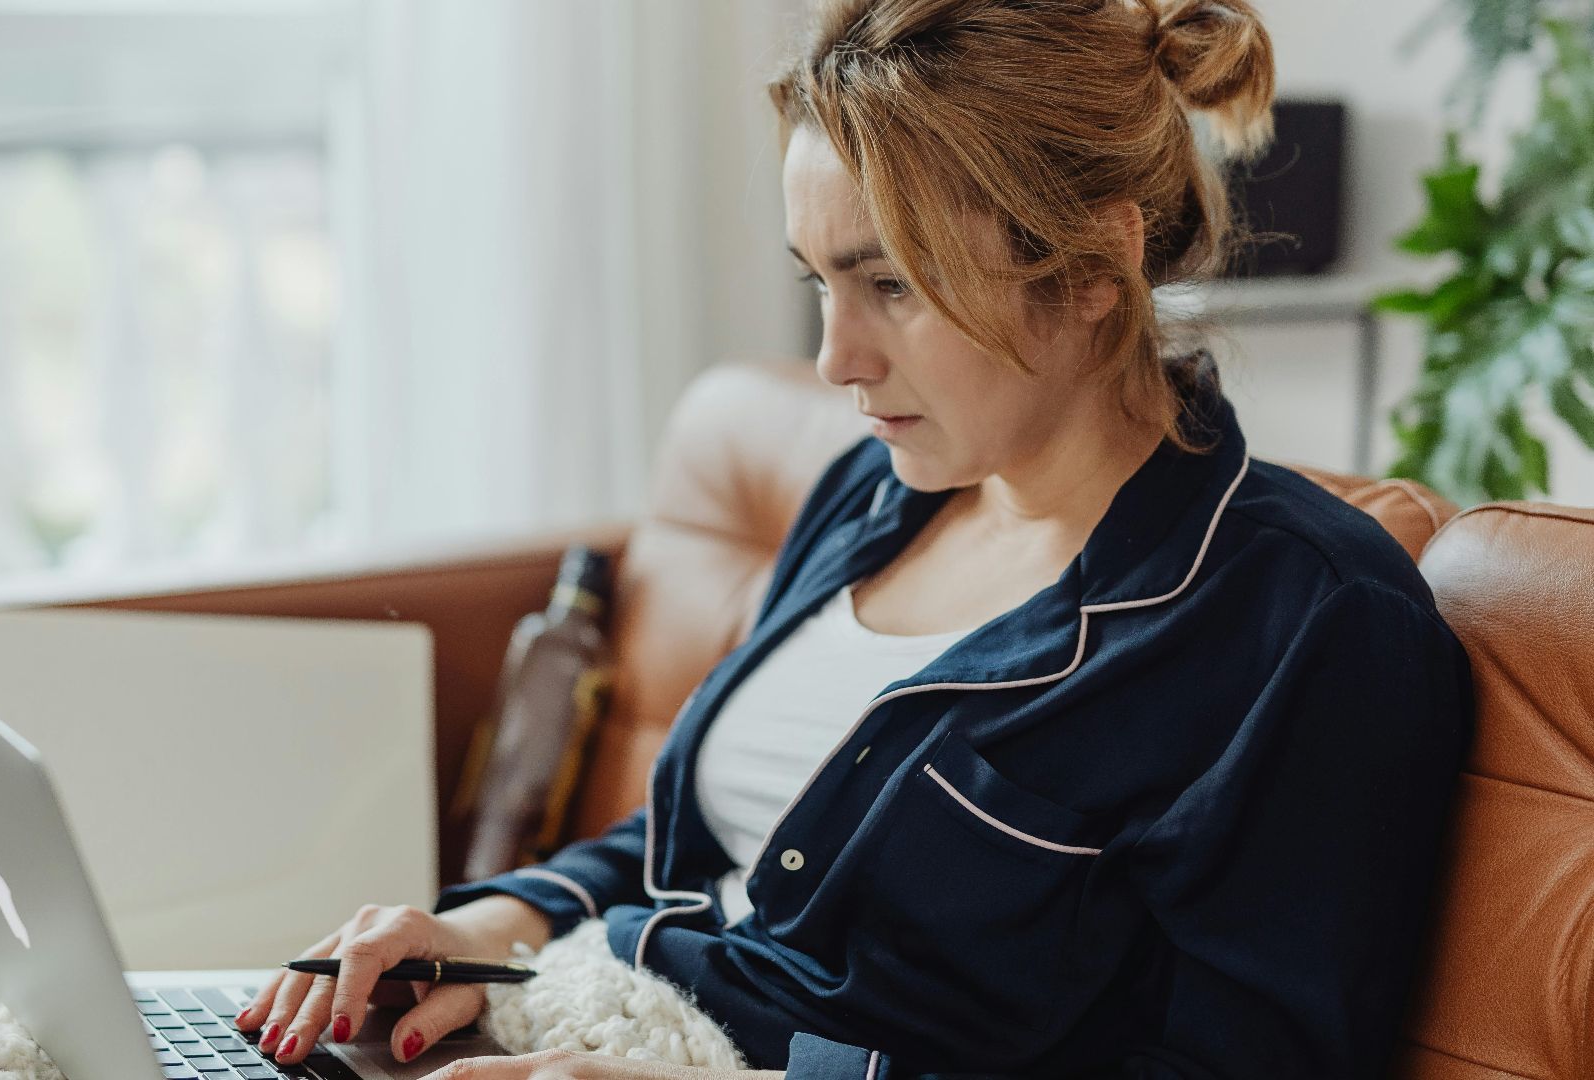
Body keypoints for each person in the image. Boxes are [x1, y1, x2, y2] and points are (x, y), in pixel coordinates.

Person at [235, 0, 1475, 1076]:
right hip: (572, 1014)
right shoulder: (871, 498)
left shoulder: (1303, 621)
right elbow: (694, 853)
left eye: (891, 285)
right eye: (817, 282)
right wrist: (490, 928)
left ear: (1098, 258)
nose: (835, 359)